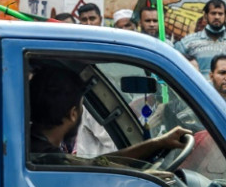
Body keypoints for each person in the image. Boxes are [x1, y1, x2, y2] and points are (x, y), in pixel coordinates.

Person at [29, 66, 189, 162]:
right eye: (80, 106)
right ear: (73, 114)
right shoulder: (50, 161)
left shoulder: (31, 148)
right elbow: (96, 166)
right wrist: (157, 143)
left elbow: (95, 165)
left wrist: (158, 143)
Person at [174, 0, 226, 76]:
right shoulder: (187, 43)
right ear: (205, 16)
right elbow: (176, 69)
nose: (217, 17)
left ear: (225, 16)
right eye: (213, 13)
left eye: (220, 14)